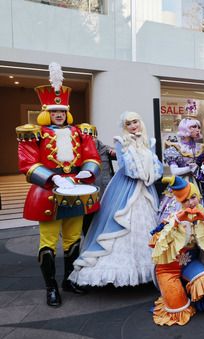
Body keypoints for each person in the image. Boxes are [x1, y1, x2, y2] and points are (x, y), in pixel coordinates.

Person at [16, 62, 101, 307]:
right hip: (48, 192)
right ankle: (51, 286)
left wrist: (87, 172)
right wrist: (52, 177)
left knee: (74, 238)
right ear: (47, 112)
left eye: (62, 111)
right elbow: (27, 164)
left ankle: (70, 280)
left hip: (76, 189)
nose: (59, 115)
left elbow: (91, 156)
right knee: (49, 242)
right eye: (55, 112)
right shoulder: (34, 133)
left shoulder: (81, 131)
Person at [70, 111, 163, 287]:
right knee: (121, 223)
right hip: (126, 188)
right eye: (129, 124)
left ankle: (150, 270)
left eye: (135, 122)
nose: (133, 126)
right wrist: (138, 158)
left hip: (146, 188)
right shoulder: (120, 142)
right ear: (125, 127)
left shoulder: (150, 142)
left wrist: (149, 172)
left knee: (146, 225)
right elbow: (128, 168)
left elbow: (157, 167)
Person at [149, 176, 204, 326]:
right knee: (176, 309)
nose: (191, 203)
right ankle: (179, 292)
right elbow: (156, 244)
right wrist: (176, 223)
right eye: (185, 200)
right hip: (168, 268)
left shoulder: (203, 215)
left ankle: (192, 295)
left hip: (189, 262)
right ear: (179, 202)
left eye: (193, 197)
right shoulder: (172, 218)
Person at [158, 118, 204, 223]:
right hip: (180, 183)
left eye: (198, 127)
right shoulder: (175, 148)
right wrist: (190, 168)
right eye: (193, 127)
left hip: (196, 183)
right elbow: (174, 171)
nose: (197, 129)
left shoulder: (200, 148)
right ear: (185, 129)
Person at [82, 138, 116, 235]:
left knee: (106, 217)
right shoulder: (80, 150)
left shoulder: (104, 149)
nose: (90, 138)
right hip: (88, 191)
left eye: (92, 136)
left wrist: (116, 151)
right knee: (88, 219)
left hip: (105, 190)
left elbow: (120, 155)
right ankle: (88, 242)